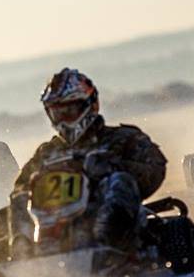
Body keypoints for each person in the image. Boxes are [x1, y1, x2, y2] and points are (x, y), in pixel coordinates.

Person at [13, 67, 166, 248]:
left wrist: (110, 167)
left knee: (119, 180)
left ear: (90, 105)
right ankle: (22, 251)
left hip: (102, 214)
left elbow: (155, 169)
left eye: (69, 111)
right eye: (57, 113)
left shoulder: (123, 138)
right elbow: (21, 187)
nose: (62, 120)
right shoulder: (46, 152)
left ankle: (109, 241)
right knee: (20, 198)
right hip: (52, 222)